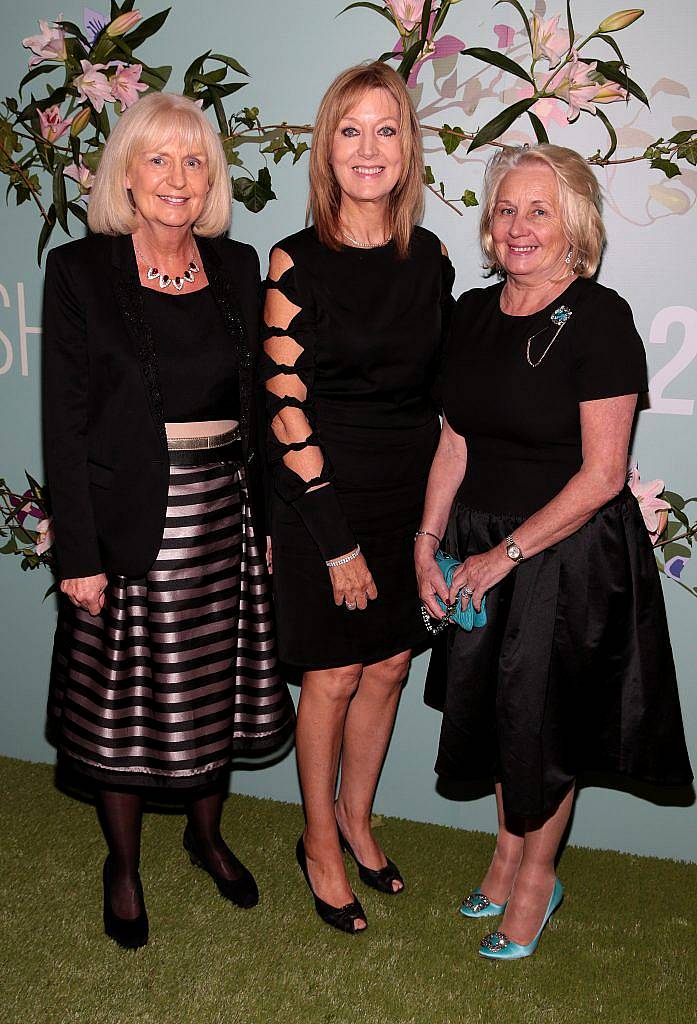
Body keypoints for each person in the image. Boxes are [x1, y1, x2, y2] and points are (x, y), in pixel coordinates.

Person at [415, 143, 693, 960]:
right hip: (474, 546)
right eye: (505, 209)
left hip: (560, 552)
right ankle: (505, 853)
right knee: (503, 717)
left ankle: (537, 876)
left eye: (539, 210)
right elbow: (454, 442)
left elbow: (603, 475)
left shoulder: (599, 318)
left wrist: (499, 557)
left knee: (543, 722)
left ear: (573, 225)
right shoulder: (468, 313)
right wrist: (426, 542)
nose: (518, 226)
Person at [43, 92, 294, 949]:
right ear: (126, 173)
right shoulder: (81, 272)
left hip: (222, 513)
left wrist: (266, 516)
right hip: (127, 526)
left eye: (193, 162)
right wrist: (78, 553)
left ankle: (205, 834)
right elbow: (64, 423)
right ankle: (123, 863)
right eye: (157, 159)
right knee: (124, 702)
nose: (176, 180)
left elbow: (260, 405)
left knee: (211, 690)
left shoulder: (237, 266)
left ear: (211, 177)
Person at [262, 63, 454, 933]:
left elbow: (446, 400)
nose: (368, 149)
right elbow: (283, 410)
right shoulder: (293, 261)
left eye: (385, 130)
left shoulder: (435, 260)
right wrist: (335, 542)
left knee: (387, 664)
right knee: (333, 676)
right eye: (350, 130)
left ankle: (357, 817)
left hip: (405, 502)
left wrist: (433, 529)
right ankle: (318, 841)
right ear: (326, 146)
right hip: (320, 503)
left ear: (406, 147)